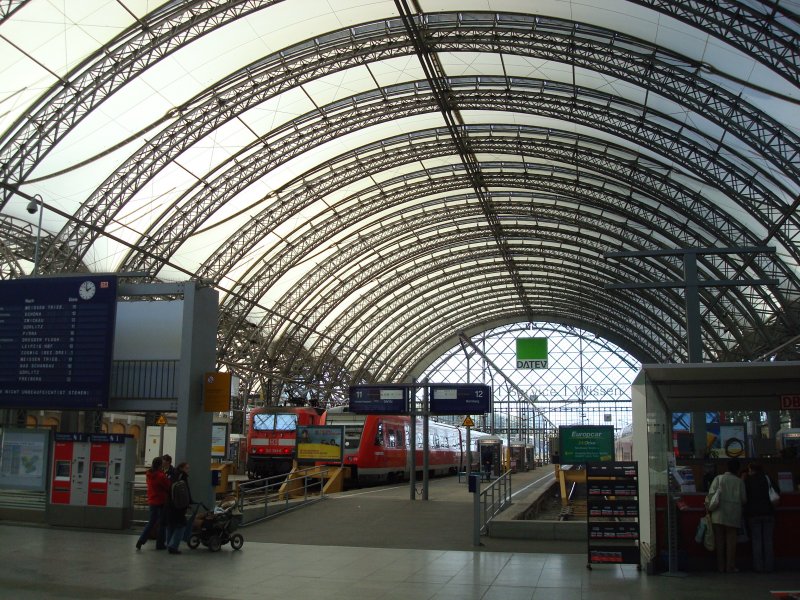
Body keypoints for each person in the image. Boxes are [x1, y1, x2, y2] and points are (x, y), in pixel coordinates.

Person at [706, 458, 747, 573]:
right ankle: (730, 566)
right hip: (733, 515)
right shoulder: (739, 481)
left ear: (727, 467)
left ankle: (720, 566)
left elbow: (710, 495)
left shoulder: (718, 478)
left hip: (718, 514)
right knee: (731, 543)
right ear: (737, 469)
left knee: (719, 541)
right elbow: (744, 499)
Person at [744, 463, 776, 573]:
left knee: (756, 541)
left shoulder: (748, 481)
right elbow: (777, 491)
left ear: (752, 470)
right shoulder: (767, 478)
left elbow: (744, 497)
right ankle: (769, 567)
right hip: (768, 512)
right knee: (768, 541)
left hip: (754, 514)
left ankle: (758, 567)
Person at [136, 456, 171, 550]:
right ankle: (160, 544)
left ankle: (141, 540)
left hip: (152, 500)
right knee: (162, 523)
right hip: (161, 501)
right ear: (160, 465)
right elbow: (168, 486)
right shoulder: (161, 476)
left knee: (151, 522)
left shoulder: (149, 474)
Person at [164, 461, 192, 555]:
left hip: (169, 504)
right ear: (181, 468)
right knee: (182, 525)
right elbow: (185, 493)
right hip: (178, 506)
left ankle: (169, 544)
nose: (188, 470)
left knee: (171, 525)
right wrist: (189, 502)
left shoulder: (173, 475)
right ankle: (173, 546)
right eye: (187, 468)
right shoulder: (182, 477)